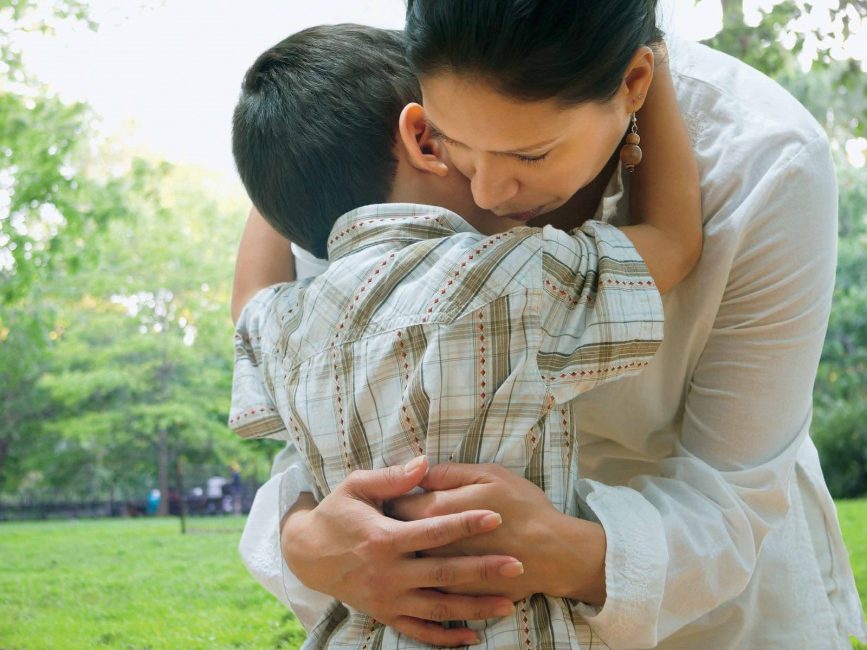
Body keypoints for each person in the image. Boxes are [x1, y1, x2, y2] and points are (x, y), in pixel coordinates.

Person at [236, 2, 867, 649]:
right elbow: (311, 439)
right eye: (456, 147)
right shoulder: (370, 129)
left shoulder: (761, 158)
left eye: (530, 154)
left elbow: (734, 492)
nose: (487, 194)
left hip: (714, 610)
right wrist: (304, 540)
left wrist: (562, 548)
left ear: (633, 85)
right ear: (420, 130)